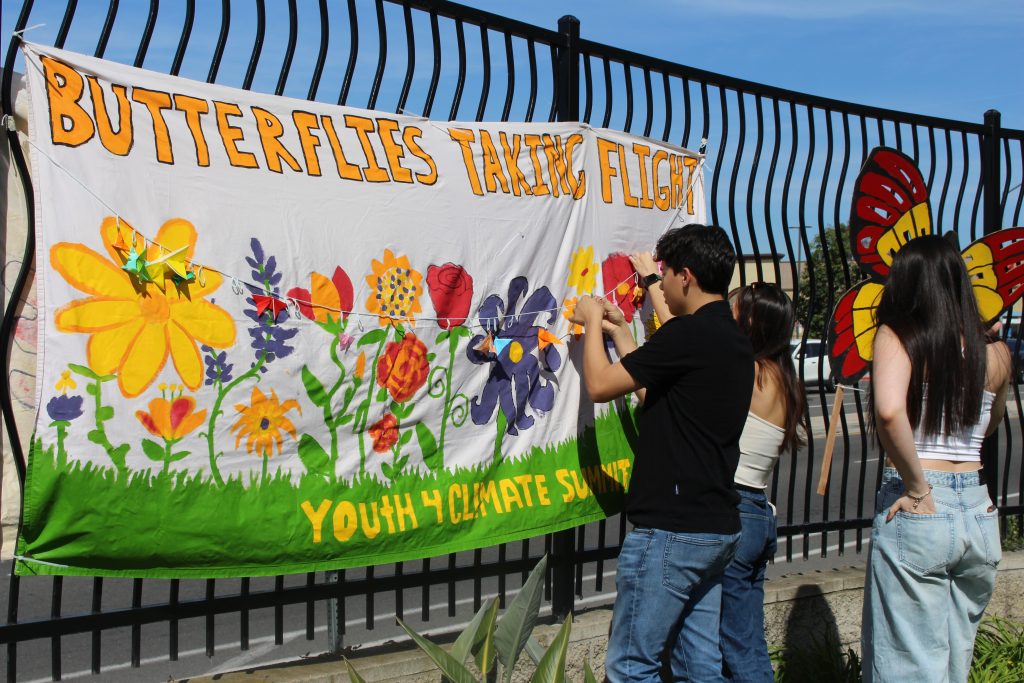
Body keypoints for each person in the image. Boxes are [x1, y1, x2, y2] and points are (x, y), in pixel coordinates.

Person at [573, 224, 754, 682]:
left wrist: (592, 319)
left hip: (672, 533)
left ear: (686, 276)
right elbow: (660, 390)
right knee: (699, 667)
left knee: (633, 667)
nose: (662, 282)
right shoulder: (731, 339)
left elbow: (599, 385)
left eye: (664, 272)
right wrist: (618, 332)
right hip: (715, 529)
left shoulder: (687, 335)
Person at [861, 235, 1012, 682]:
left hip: (923, 508)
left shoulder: (899, 336)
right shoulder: (996, 354)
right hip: (978, 513)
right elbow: (989, 424)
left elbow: (889, 411)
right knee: (953, 662)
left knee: (907, 664)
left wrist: (916, 486)